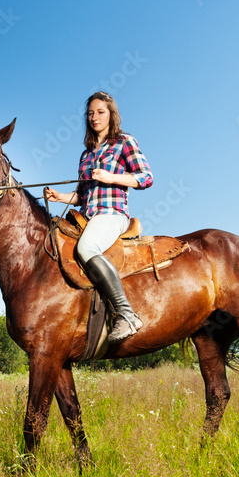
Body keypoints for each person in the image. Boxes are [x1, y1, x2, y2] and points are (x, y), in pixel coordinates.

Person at [45, 91, 153, 343]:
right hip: (89, 216)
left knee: (86, 247)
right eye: (90, 113)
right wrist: (59, 197)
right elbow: (82, 195)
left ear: (111, 114)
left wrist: (111, 177)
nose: (95, 117)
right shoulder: (86, 154)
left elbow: (146, 177)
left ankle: (126, 315)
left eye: (100, 112)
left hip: (113, 214)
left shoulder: (124, 142)